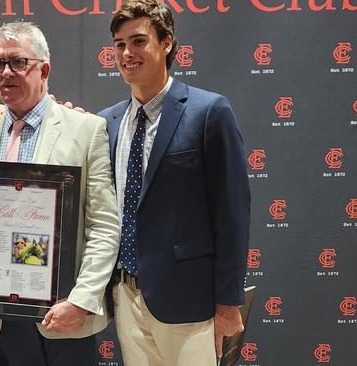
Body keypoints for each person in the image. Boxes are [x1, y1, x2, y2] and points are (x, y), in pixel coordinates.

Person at [0, 21, 119, 366]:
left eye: (18, 62)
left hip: (63, 312)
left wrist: (82, 300)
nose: (6, 72)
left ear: (44, 69)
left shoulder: (86, 130)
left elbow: (104, 226)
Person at [97, 1, 251, 365]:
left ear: (166, 43)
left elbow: (233, 213)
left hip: (189, 302)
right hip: (126, 297)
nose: (127, 53)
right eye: (119, 44)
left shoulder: (209, 112)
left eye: (138, 41)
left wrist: (228, 302)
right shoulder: (107, 123)